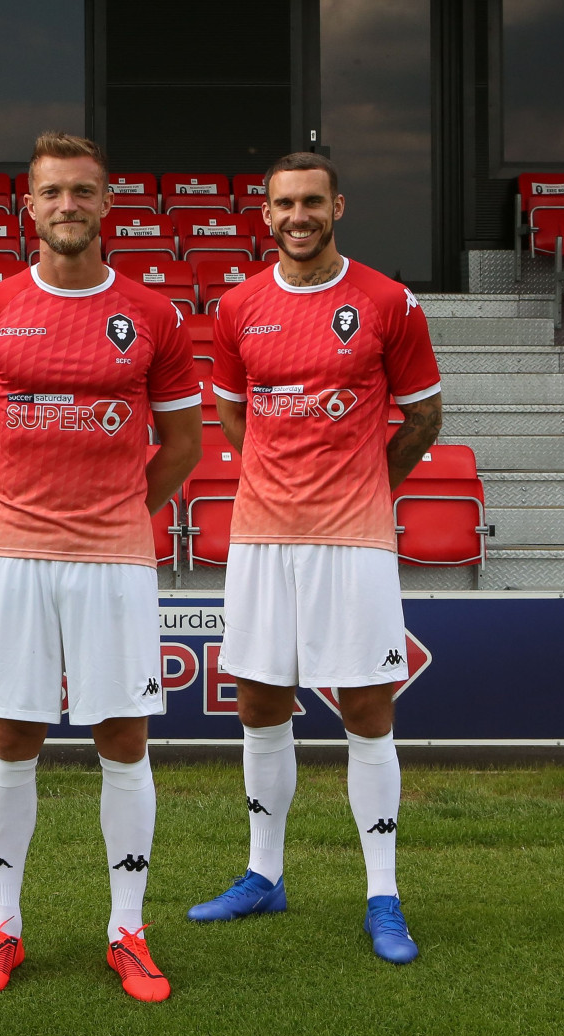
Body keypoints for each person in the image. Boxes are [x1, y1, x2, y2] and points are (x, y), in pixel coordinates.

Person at [0, 132, 203, 1003]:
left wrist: (124, 511)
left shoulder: (154, 315)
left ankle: (127, 929)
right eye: (52, 192)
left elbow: (181, 445)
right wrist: (7, 506)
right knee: (11, 737)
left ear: (107, 204)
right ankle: (2, 924)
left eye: (83, 192)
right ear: (30, 204)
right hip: (18, 556)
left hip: (114, 560)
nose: (68, 206)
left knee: (122, 739)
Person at [188, 152, 442, 964]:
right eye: (283, 204)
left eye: (312, 202)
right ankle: (265, 874)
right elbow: (235, 414)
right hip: (263, 535)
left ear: (339, 205)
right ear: (264, 215)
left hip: (352, 538)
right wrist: (282, 479)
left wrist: (367, 480)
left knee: (367, 705)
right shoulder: (238, 307)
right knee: (260, 700)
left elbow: (425, 415)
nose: (298, 216)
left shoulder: (385, 301)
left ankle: (382, 893)